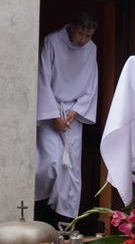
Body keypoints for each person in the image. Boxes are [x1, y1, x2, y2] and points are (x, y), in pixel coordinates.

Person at [34, 13, 99, 228]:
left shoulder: (91, 49)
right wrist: (53, 115)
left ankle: (64, 219)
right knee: (50, 162)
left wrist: (77, 110)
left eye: (88, 35)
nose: (83, 40)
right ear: (71, 28)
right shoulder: (52, 42)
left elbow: (92, 83)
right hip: (51, 111)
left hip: (73, 115)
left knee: (71, 169)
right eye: (80, 33)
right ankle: (41, 209)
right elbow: (42, 77)